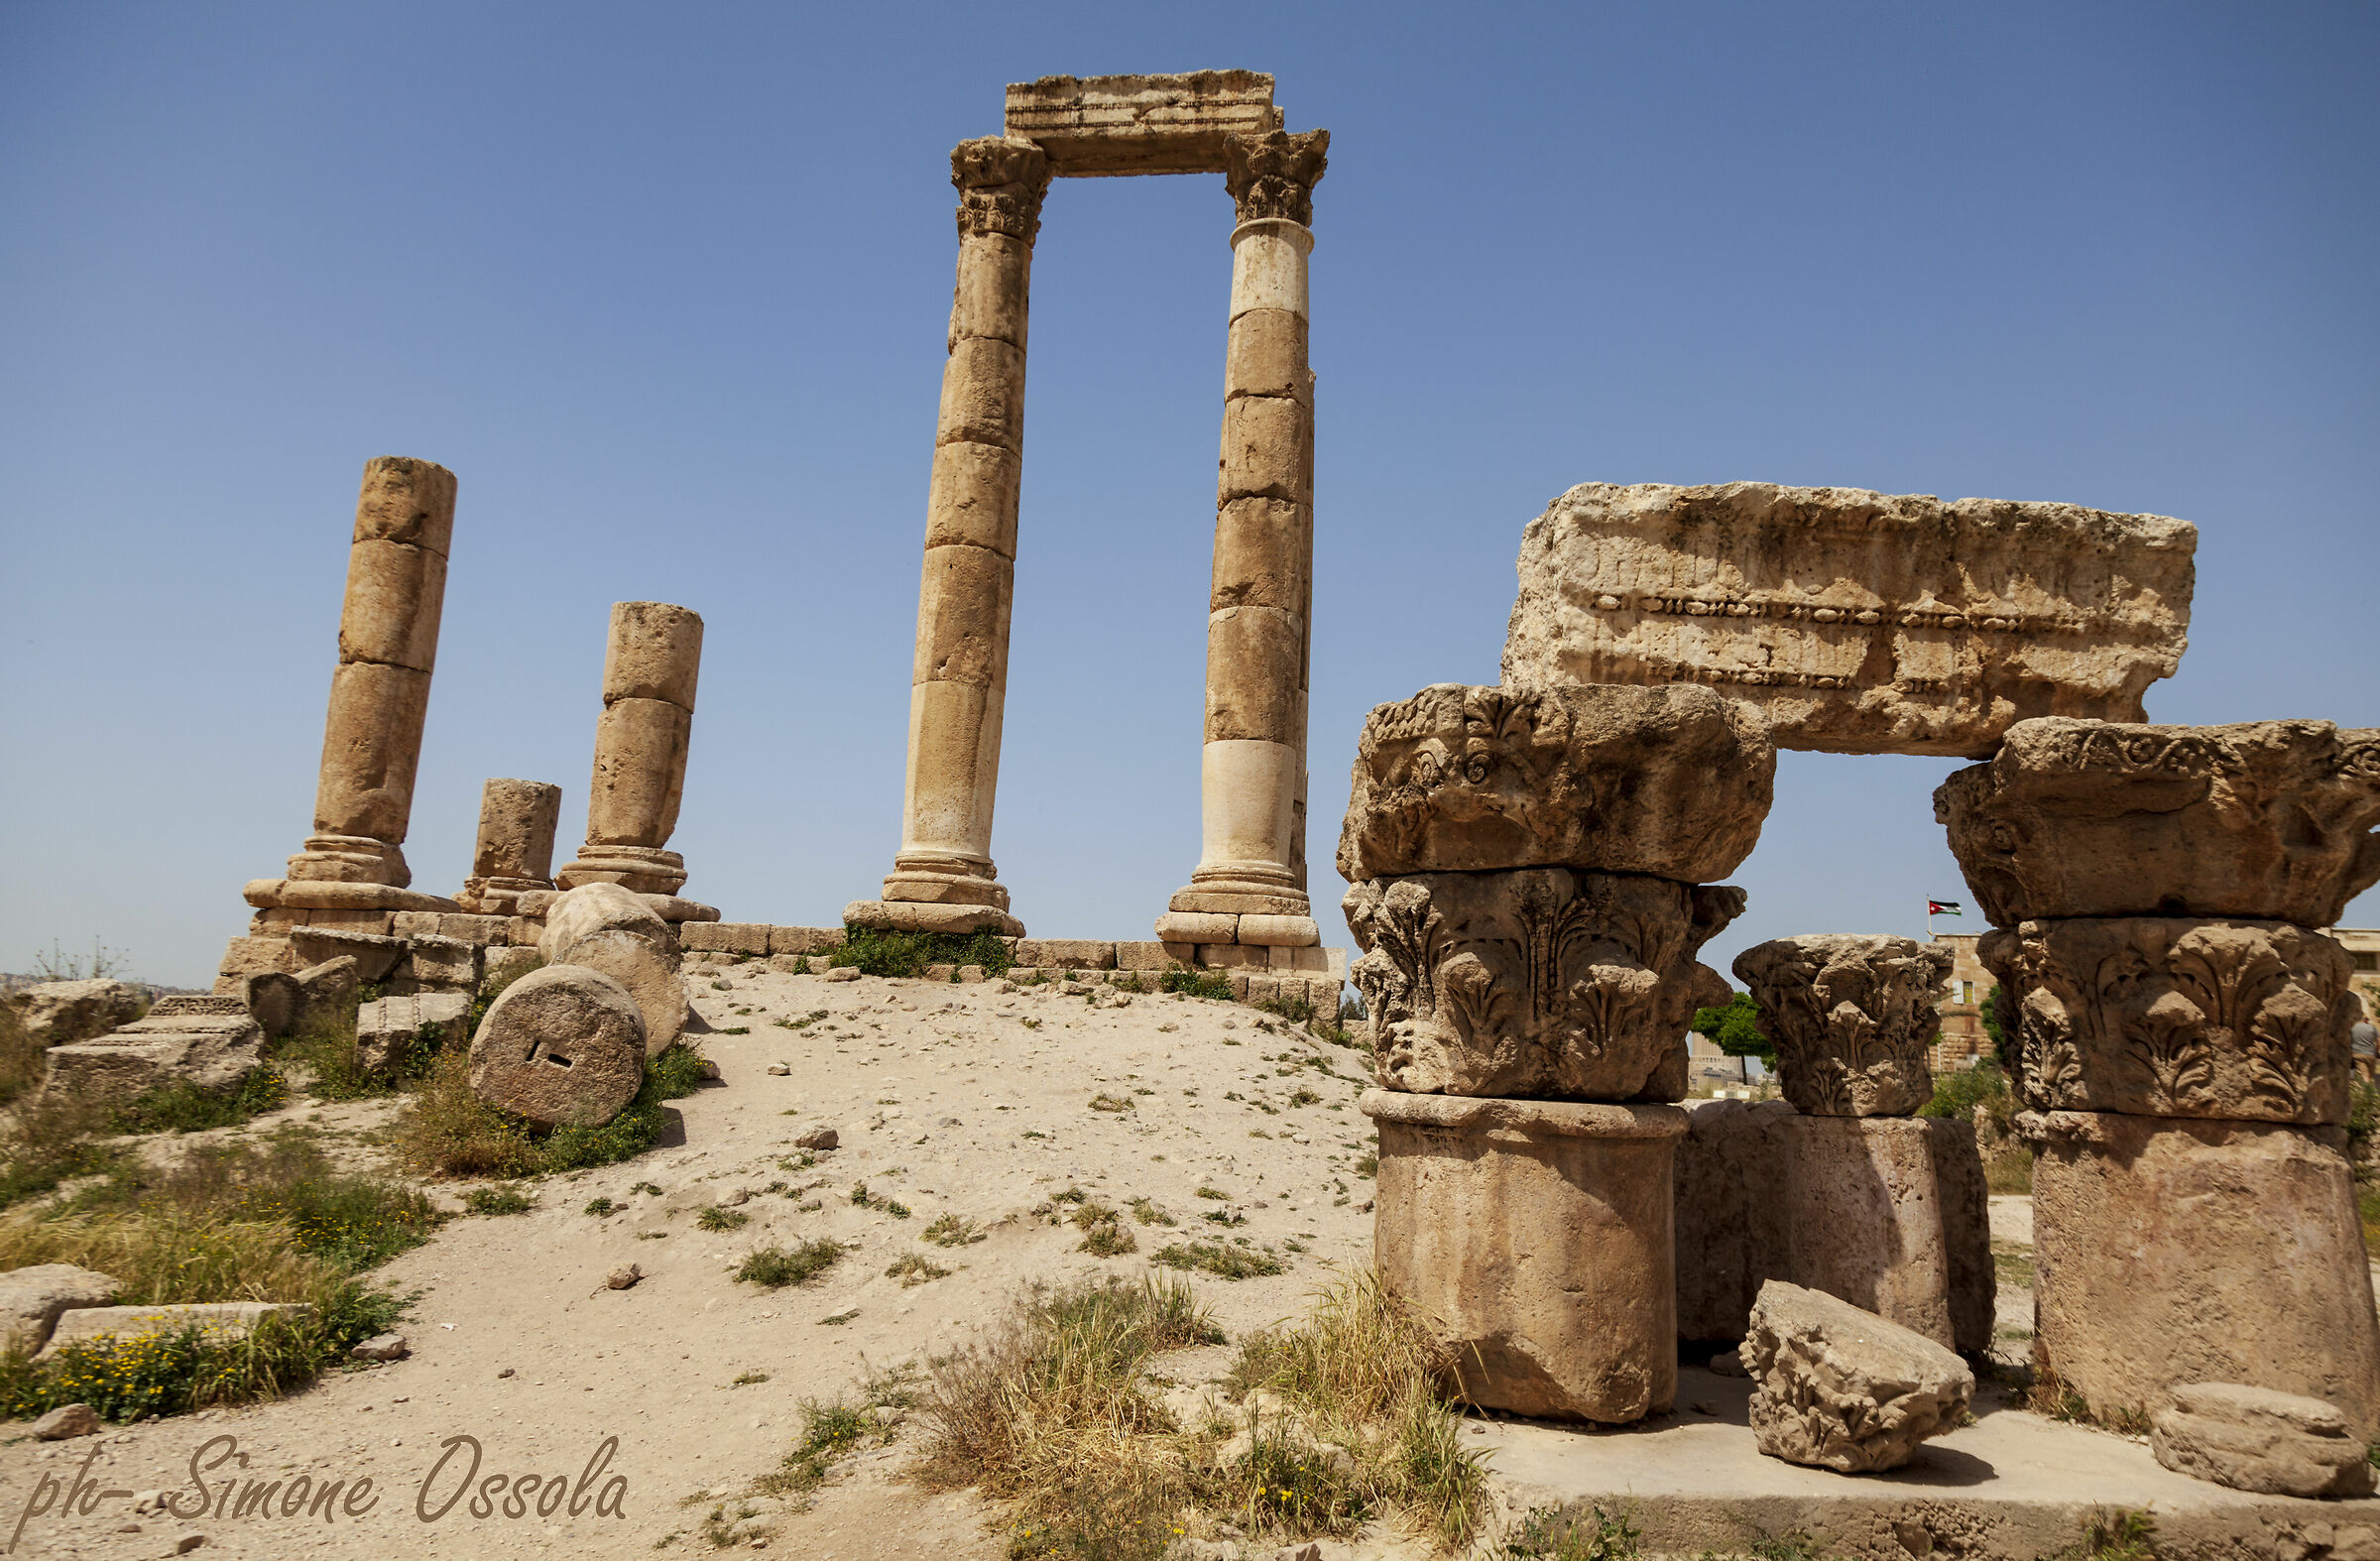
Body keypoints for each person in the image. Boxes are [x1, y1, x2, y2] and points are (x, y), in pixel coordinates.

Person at [2352, 999, 2377, 1087]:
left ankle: (2364, 1093)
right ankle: (2371, 1093)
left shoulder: (2354, 1027)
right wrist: (2377, 1051)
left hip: (2358, 1055)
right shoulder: (2372, 1028)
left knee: (2364, 1075)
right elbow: (2378, 1041)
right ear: (2367, 1020)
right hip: (2371, 1055)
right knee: (2370, 1076)